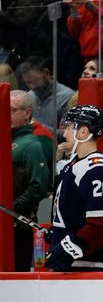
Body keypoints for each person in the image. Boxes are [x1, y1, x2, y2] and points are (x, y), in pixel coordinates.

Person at [45, 105, 103, 272]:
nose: (64, 133)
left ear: (83, 132)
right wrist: (59, 232)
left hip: (96, 266)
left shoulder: (96, 168)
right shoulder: (72, 165)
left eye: (69, 127)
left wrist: (71, 246)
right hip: (77, 266)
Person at [10, 90, 50, 271]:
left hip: (18, 227)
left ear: (27, 113)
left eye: (11, 110)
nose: (5, 114)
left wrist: (13, 208)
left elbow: (38, 186)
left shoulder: (31, 145)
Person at [18, 56, 75, 133]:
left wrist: (38, 127)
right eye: (28, 83)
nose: (32, 87)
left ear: (47, 73)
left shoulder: (67, 97)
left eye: (34, 81)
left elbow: (69, 135)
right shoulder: (28, 97)